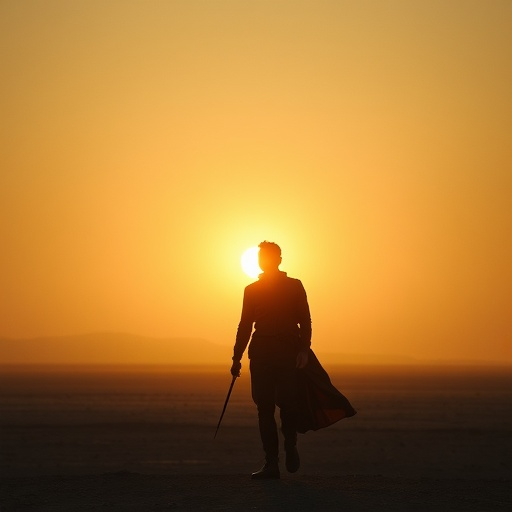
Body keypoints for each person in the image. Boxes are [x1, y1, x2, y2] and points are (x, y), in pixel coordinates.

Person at [230, 241, 312, 479]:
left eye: (266, 257)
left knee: (286, 404)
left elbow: (305, 320)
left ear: (278, 260)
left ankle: (290, 444)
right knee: (264, 408)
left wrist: (304, 350)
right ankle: (272, 463)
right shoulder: (251, 290)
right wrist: (236, 358)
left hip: (287, 353)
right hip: (262, 354)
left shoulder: (295, 287)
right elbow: (244, 325)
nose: (263, 261)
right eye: (260, 257)